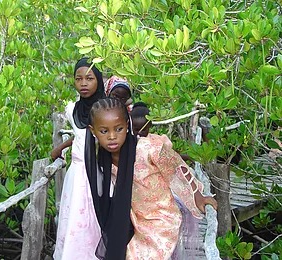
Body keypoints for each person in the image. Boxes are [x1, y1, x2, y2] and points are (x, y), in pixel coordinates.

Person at [85, 98, 217, 260]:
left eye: (118, 129)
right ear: (93, 131)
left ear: (127, 125)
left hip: (161, 218)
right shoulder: (103, 159)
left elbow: (177, 170)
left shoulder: (149, 149)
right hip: (135, 220)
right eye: (104, 131)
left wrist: (198, 197)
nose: (112, 136)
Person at [51, 57, 105, 260]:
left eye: (89, 78)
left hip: (99, 173)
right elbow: (81, 136)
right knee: (74, 220)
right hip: (77, 174)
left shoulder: (106, 108)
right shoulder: (72, 109)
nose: (83, 83)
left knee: (95, 221)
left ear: (98, 80)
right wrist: (61, 148)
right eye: (78, 78)